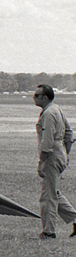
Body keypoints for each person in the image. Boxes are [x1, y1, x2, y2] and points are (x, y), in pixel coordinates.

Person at [33, 84, 76, 239]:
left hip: (52, 155)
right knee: (54, 192)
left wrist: (41, 161)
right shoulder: (56, 109)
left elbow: (47, 140)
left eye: (37, 95)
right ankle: (74, 218)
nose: (34, 98)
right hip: (59, 153)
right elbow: (69, 133)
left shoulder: (49, 113)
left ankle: (48, 232)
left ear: (45, 97)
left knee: (48, 196)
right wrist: (65, 152)